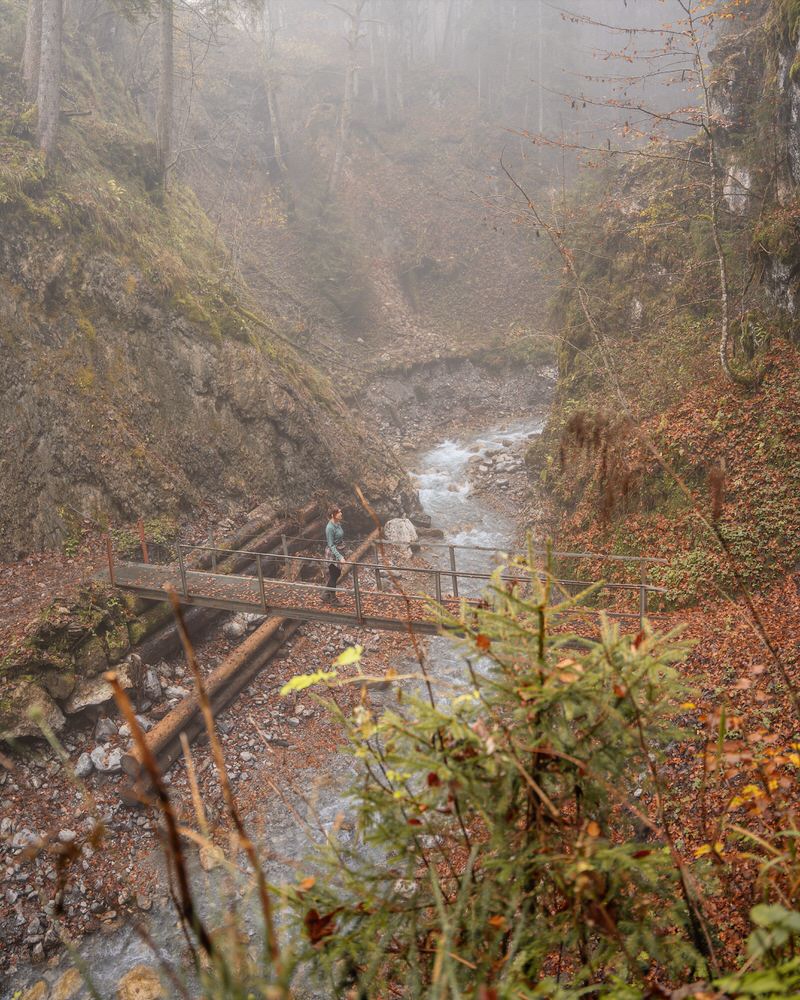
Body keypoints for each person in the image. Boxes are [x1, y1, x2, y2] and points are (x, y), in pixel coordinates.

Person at [323, 506, 345, 605]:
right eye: (339, 512)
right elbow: (331, 545)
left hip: (339, 550)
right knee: (334, 574)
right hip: (332, 553)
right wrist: (340, 557)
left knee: (336, 574)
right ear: (333, 515)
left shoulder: (338, 523)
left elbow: (339, 538)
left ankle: (325, 594)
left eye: (340, 512)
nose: (341, 513)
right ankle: (333, 600)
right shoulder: (329, 527)